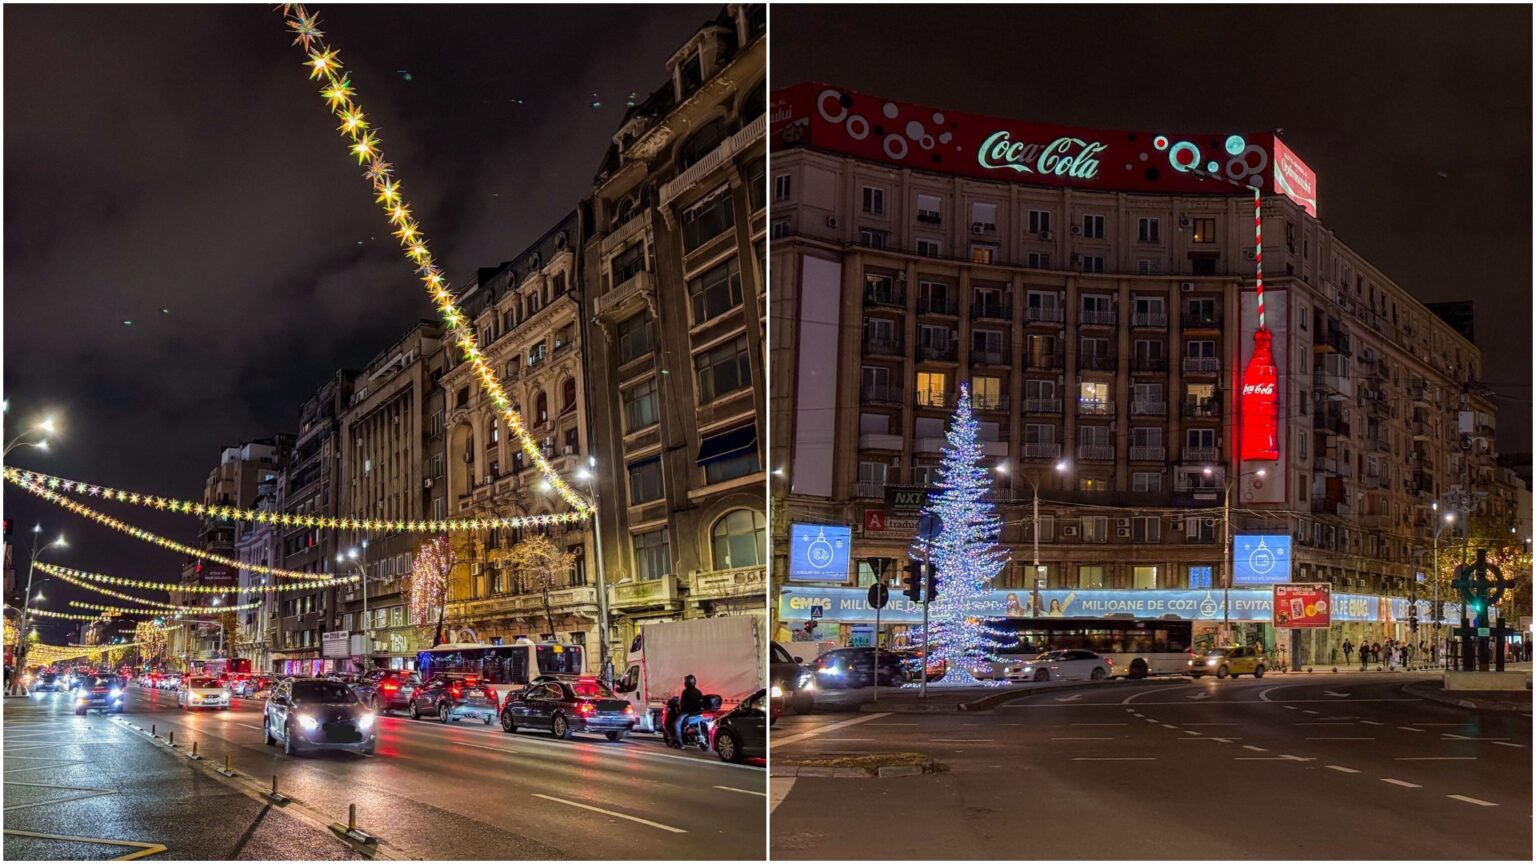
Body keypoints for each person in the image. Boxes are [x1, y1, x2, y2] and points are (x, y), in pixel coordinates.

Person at [669, 674, 704, 749]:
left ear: (686, 682)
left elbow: (682, 703)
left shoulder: (686, 692)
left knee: (677, 724)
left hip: (688, 713)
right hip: (699, 713)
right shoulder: (698, 692)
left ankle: (680, 744)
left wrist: (681, 709)